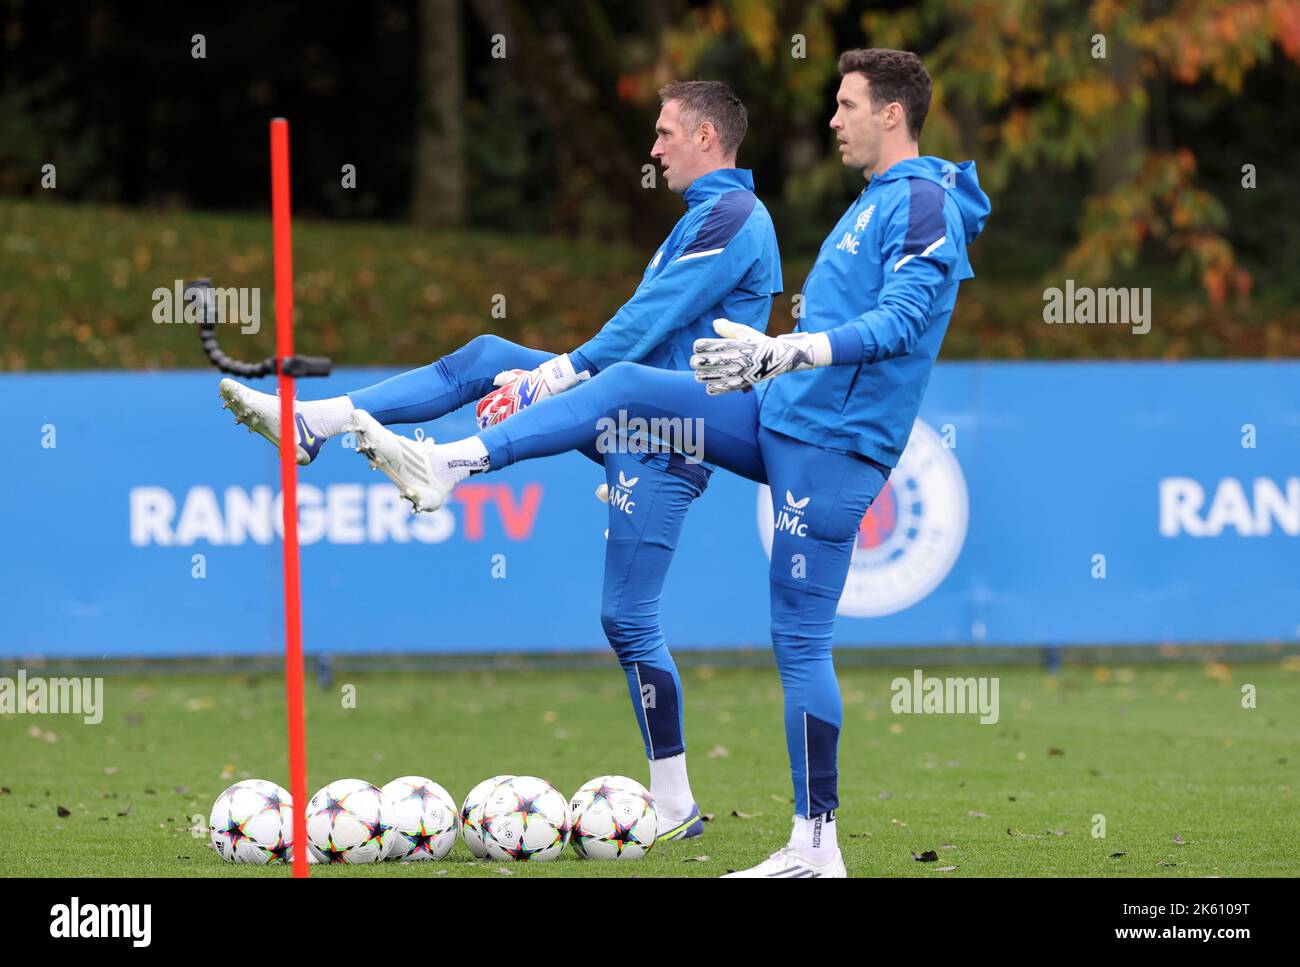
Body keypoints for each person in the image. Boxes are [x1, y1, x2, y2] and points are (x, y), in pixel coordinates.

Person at [348, 48, 991, 877]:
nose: (833, 119)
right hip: (780, 422)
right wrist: (767, 363)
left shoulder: (927, 201)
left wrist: (788, 350)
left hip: (833, 452)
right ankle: (454, 463)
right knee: (628, 388)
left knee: (799, 644)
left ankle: (816, 846)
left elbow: (902, 323)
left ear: (892, 114)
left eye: (847, 105)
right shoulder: (876, 200)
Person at [216, 80, 782, 843]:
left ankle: (675, 803)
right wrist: (542, 377)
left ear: (708, 136)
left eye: (665, 133)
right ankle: (317, 420)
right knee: (488, 355)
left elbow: (648, 323)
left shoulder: (735, 216)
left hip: (670, 438)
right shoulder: (702, 217)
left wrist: (551, 377)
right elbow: (644, 337)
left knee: (626, 618)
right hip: (625, 407)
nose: (653, 148)